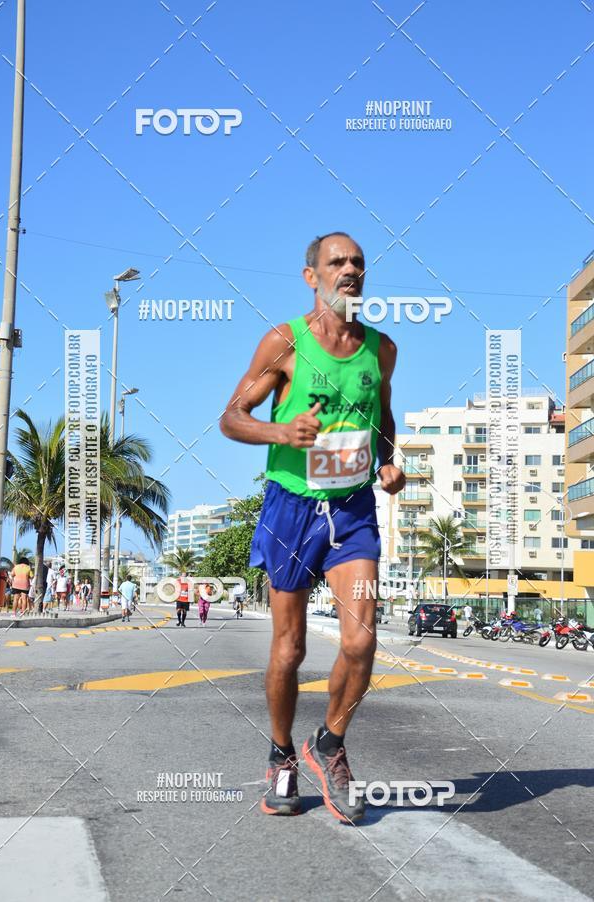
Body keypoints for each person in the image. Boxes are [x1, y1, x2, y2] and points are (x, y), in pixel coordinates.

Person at [220, 232, 405, 821]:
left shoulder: (381, 349)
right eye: (336, 262)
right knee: (290, 647)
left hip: (352, 510)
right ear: (312, 276)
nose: (349, 270)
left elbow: (384, 417)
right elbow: (232, 417)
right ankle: (281, 756)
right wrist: (282, 431)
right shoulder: (285, 342)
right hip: (291, 509)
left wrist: (387, 461)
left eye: (357, 262)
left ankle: (330, 742)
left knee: (361, 639)